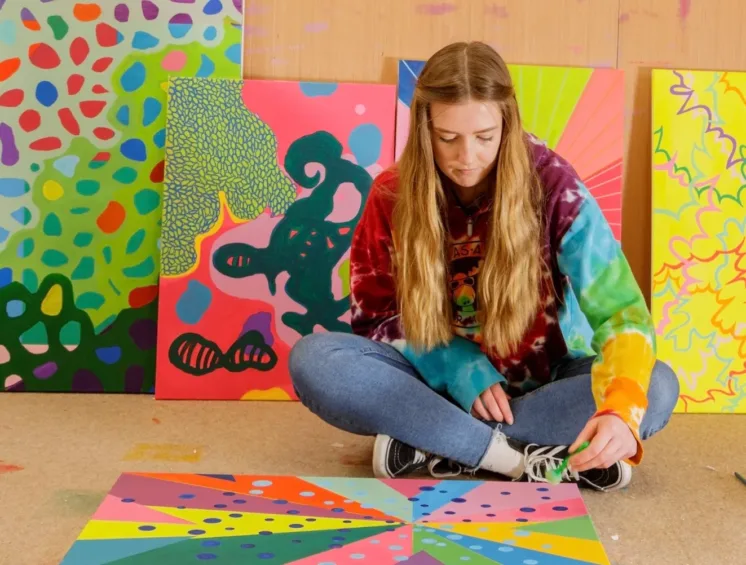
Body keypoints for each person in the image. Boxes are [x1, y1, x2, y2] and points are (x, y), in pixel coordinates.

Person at [288, 41, 679, 492]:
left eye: (485, 137)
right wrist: (456, 365)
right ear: (423, 128)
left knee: (658, 387)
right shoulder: (392, 194)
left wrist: (618, 412)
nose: (467, 157)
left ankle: (439, 449)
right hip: (436, 392)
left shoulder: (555, 187)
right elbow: (375, 318)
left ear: (507, 125)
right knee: (317, 361)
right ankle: (517, 459)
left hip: (541, 387)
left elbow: (622, 315)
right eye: (447, 138)